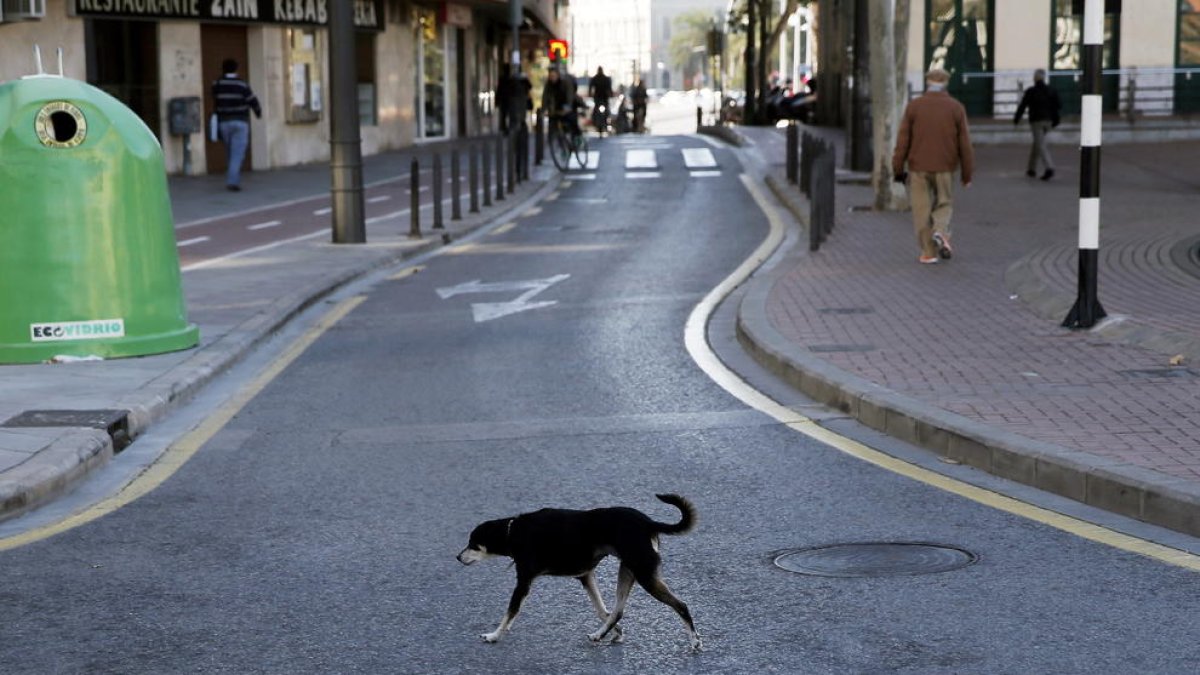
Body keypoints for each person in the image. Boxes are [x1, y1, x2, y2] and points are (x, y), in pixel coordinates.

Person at [892, 68, 975, 264]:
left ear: (927, 83)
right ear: (946, 83)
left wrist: (898, 169)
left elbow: (903, 141)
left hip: (918, 167)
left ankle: (928, 253)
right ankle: (940, 230)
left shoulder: (914, 106)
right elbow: (965, 144)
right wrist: (967, 174)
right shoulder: (956, 107)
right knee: (944, 202)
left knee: (921, 210)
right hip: (945, 165)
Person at [211, 58, 261, 192]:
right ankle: (232, 182)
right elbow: (252, 100)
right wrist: (258, 112)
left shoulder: (217, 83)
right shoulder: (242, 84)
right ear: (236, 69)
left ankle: (232, 177)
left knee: (230, 152)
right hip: (240, 121)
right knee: (237, 154)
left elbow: (215, 99)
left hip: (223, 122)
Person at [1013, 68, 1062, 181]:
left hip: (1036, 121)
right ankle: (1031, 168)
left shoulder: (1031, 91)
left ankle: (1049, 167)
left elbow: (1022, 106)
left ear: (1034, 78)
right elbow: (1059, 105)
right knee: (1037, 143)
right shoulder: (1051, 90)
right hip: (1049, 121)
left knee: (1040, 145)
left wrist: (1016, 119)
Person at [541, 66, 581, 141]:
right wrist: (543, 110)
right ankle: (561, 141)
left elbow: (570, 96)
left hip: (569, 103)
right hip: (557, 105)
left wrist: (568, 108)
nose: (552, 78)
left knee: (571, 119)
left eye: (553, 76)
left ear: (558, 75)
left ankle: (577, 136)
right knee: (554, 119)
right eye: (550, 76)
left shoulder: (566, 82)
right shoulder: (548, 85)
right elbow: (545, 97)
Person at [588, 66, 613, 134]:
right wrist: (590, 93)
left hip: (604, 98)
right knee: (595, 111)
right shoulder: (595, 78)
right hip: (598, 98)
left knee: (607, 111)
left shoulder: (606, 79)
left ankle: (607, 121)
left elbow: (609, 88)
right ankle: (595, 121)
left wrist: (610, 94)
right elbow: (590, 87)